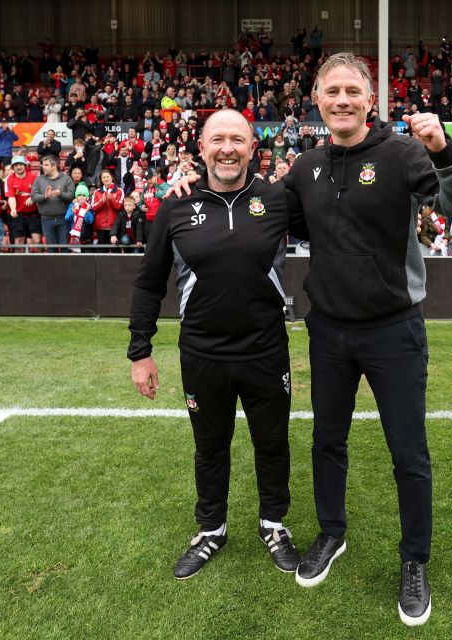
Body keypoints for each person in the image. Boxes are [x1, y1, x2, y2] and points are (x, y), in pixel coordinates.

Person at [281, 53, 452, 627]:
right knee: (327, 441)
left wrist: (442, 148)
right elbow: (271, 218)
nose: (341, 100)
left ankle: (414, 560)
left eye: (352, 91)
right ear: (316, 100)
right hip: (329, 331)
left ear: (371, 100)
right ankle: (331, 533)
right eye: (331, 91)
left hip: (394, 330)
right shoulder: (306, 166)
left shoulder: (402, 152)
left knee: (409, 454)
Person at [128, 109, 303, 581]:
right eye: (218, 139)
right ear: (201, 148)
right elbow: (149, 284)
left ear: (253, 148)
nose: (228, 148)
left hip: (266, 351)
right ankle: (211, 530)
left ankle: (274, 523)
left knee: (272, 442)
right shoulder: (176, 207)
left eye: (238, 140)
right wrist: (140, 351)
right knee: (210, 447)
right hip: (202, 354)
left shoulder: (278, 200)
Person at [31, 155, 75, 252]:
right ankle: (53, 267)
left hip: (63, 219)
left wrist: (60, 194)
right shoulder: (39, 180)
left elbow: (71, 196)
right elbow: (34, 197)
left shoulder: (66, 179)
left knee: (64, 246)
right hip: (46, 219)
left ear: (54, 165)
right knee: (51, 247)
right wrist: (45, 196)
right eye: (43, 165)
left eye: (46, 165)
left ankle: (65, 267)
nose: (43, 167)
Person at [6, 155, 41, 250]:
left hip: (33, 215)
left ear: (25, 165)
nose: (18, 167)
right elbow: (11, 196)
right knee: (18, 243)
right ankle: (19, 264)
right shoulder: (10, 179)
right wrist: (13, 209)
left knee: (37, 241)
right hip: (19, 215)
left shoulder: (34, 177)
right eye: (16, 165)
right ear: (13, 167)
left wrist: (33, 198)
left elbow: (39, 193)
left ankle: (40, 264)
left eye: (20, 164)